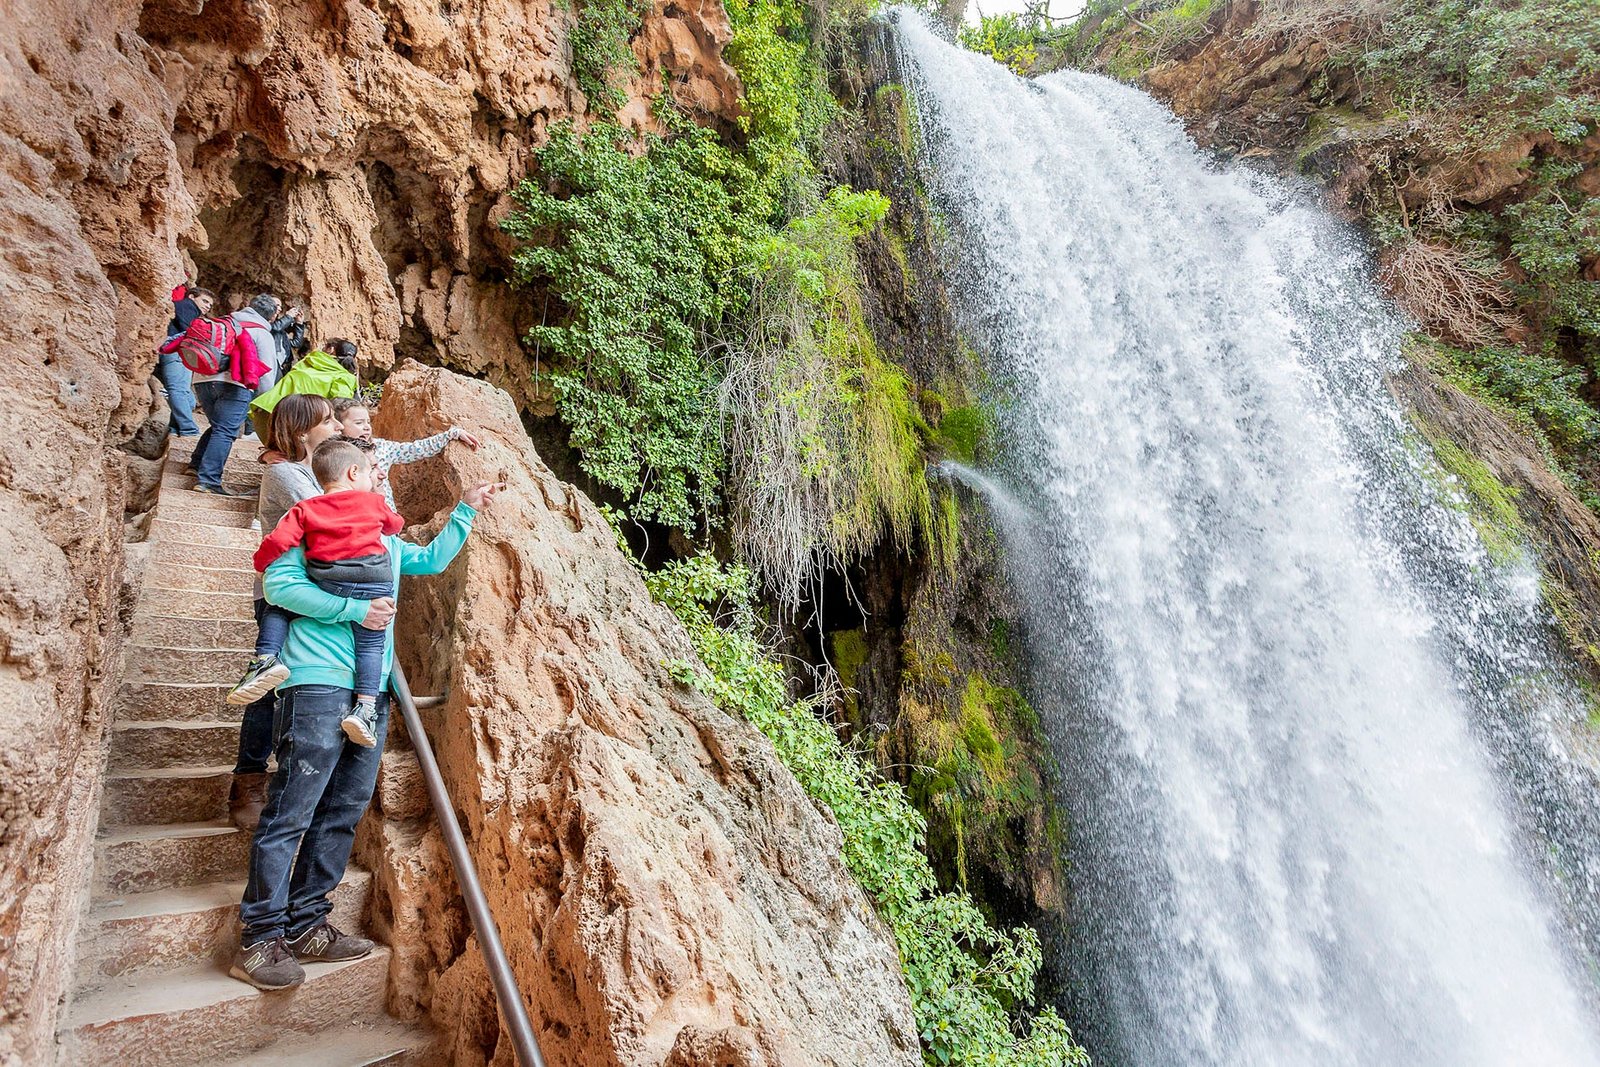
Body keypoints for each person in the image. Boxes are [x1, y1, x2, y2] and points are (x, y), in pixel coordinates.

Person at [231, 477, 502, 990]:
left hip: (369, 695)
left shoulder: (388, 544)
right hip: (313, 685)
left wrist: (466, 508)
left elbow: (433, 559)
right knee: (291, 811)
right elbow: (279, 587)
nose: (380, 483)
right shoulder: (310, 534)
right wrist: (355, 609)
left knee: (342, 811)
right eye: (372, 474)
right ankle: (261, 936)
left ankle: (308, 921)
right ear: (349, 480)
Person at [239, 438, 402, 747]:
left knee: (279, 607)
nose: (373, 479)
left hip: (329, 579)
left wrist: (261, 565)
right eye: (370, 473)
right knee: (370, 644)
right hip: (374, 584)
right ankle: (365, 708)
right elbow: (394, 526)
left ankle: (266, 658)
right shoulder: (374, 503)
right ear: (354, 472)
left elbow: (277, 543)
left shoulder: (305, 508)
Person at [226, 394, 341, 830]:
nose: (333, 426)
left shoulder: (315, 472)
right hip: (281, 591)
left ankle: (290, 782)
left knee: (302, 685)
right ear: (301, 432)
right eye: (326, 421)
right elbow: (324, 519)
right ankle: (248, 782)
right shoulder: (284, 473)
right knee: (269, 688)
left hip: (314, 591)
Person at [189, 293, 284, 495]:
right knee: (225, 431)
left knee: (218, 427)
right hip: (235, 385)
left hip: (202, 380)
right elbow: (266, 373)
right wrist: (263, 402)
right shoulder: (261, 332)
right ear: (271, 317)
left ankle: (195, 465)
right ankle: (208, 480)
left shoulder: (227, 321)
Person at [334, 397, 481, 509]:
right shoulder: (334, 456)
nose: (366, 427)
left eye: (368, 422)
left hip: (387, 519)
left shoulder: (381, 447)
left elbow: (415, 449)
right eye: (359, 423)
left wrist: (451, 434)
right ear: (339, 426)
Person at [247, 337, 359, 442]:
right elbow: (341, 406)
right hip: (297, 422)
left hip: (267, 411)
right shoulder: (344, 377)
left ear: (331, 350)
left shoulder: (310, 361)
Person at [156, 282, 213, 437]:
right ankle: (188, 429)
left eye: (210, 304)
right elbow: (188, 330)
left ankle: (175, 428)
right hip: (177, 352)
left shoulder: (185, 308)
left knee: (187, 396)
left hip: (173, 353)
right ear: (192, 297)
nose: (208, 307)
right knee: (179, 390)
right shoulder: (188, 306)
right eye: (205, 301)